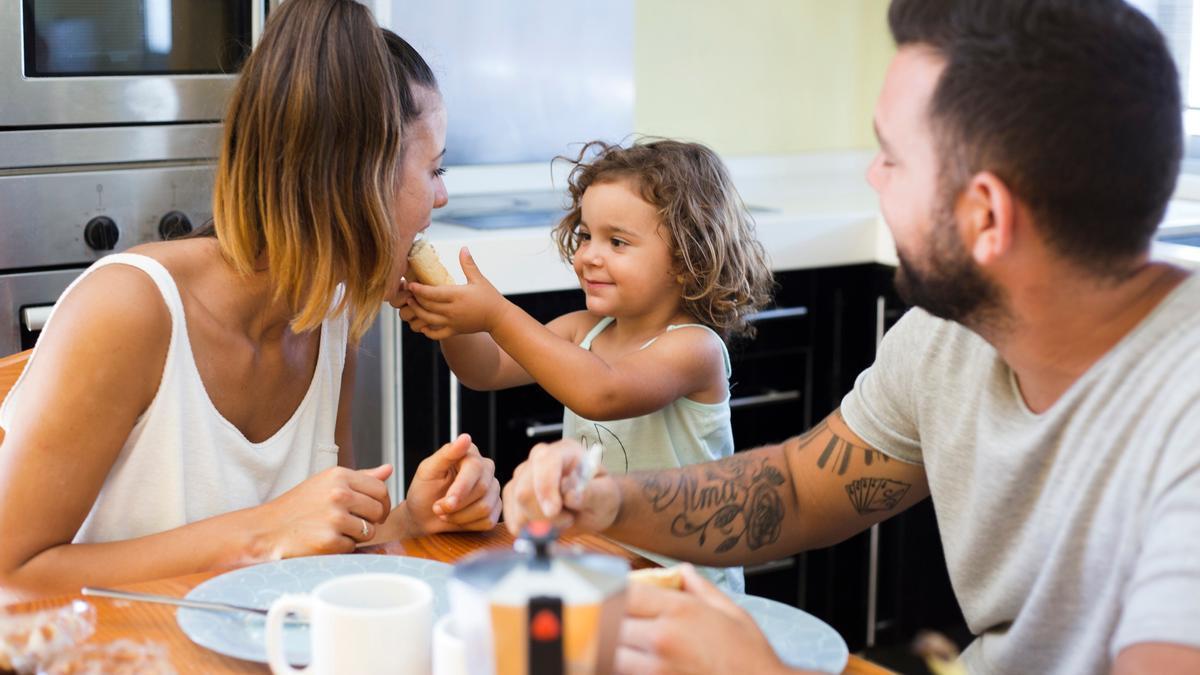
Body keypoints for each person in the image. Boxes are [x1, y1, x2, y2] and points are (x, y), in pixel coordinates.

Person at [501, 1, 1200, 673]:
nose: (871, 176)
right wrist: (611, 500)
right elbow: (801, 490)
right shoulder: (948, 337)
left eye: (892, 158)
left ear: (986, 214)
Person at [0, 0, 500, 602]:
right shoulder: (129, 308)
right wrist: (262, 533)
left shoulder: (332, 315)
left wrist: (412, 520)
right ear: (355, 177)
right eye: (435, 170)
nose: (441, 198)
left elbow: (308, 547)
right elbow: (12, 574)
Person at [398, 139, 774, 591]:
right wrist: (451, 322)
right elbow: (486, 370)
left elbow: (602, 392)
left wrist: (495, 314)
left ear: (686, 257)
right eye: (586, 236)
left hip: (687, 581)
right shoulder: (585, 329)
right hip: (599, 563)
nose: (589, 256)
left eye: (617, 241)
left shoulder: (695, 349)